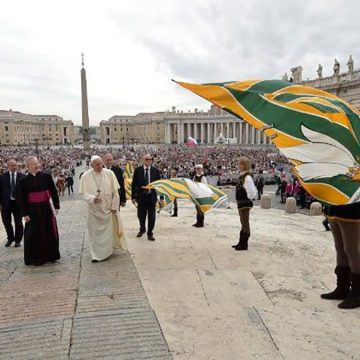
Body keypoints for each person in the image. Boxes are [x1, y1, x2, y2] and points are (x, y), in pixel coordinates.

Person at [79, 155, 127, 263]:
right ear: (91, 165)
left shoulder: (109, 173)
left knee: (108, 232)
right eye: (97, 164)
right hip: (94, 210)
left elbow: (116, 192)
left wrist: (115, 207)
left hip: (108, 208)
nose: (100, 166)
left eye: (101, 163)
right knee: (95, 233)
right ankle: (96, 255)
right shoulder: (85, 176)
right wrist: (92, 199)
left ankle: (108, 251)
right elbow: (83, 194)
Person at [17, 156, 60, 266]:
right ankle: (36, 258)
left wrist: (56, 206)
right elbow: (21, 199)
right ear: (27, 166)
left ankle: (51, 256)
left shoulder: (46, 176)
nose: (37, 166)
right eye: (34, 164)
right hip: (32, 211)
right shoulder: (23, 181)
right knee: (33, 234)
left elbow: (53, 192)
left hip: (46, 209)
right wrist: (24, 214)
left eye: (37, 163)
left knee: (49, 231)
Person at [321, 202, 360, 309]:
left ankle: (357, 293)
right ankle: (342, 288)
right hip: (333, 205)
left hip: (352, 207)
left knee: (351, 250)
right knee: (340, 248)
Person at [131, 154, 162, 241]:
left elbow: (160, 185)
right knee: (141, 215)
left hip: (151, 197)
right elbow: (134, 184)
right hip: (141, 197)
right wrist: (133, 197)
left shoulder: (155, 171)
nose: (149, 161)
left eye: (150, 159)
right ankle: (142, 229)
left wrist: (161, 197)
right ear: (143, 160)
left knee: (152, 216)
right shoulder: (138, 170)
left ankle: (150, 233)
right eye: (147, 159)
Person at [232, 156, 257, 251]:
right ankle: (241, 242)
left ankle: (244, 244)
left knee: (245, 224)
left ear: (245, 165)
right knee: (243, 223)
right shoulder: (242, 176)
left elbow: (252, 192)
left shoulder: (247, 177)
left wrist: (248, 198)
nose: (239, 165)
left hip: (245, 204)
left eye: (241, 164)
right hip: (241, 203)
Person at [0, 159, 25, 247]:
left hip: (18, 204)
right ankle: (10, 238)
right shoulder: (3, 177)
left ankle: (18, 240)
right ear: (8, 166)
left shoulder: (22, 176)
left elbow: (25, 191)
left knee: (18, 222)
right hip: (6, 204)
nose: (14, 167)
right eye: (12, 165)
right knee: (6, 222)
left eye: (15, 165)